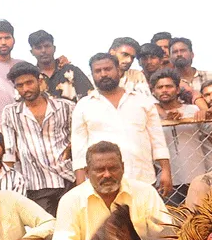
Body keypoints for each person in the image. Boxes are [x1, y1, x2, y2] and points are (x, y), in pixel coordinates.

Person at [48, 141, 170, 240]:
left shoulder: (145, 192)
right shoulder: (71, 199)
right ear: (87, 171)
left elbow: (167, 235)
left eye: (113, 168)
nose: (107, 175)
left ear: (123, 167)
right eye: (100, 170)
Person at [72, 52, 172, 196]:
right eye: (98, 71)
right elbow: (79, 148)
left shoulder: (142, 101)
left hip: (141, 178)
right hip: (103, 182)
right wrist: (81, 183)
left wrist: (166, 171)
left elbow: (158, 140)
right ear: (92, 75)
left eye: (108, 69)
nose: (103, 74)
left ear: (118, 70)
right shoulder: (84, 106)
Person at [3, 61, 78, 216]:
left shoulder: (66, 107)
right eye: (20, 85)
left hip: (68, 177)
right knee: (46, 228)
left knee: (74, 225)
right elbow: (9, 152)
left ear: (40, 80)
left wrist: (71, 149)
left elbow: (80, 139)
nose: (25, 89)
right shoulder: (10, 113)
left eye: (29, 82)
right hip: (35, 184)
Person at [152, 68, 212, 204]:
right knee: (172, 216)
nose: (164, 90)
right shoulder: (151, 116)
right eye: (160, 87)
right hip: (168, 181)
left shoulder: (193, 110)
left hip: (197, 177)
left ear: (177, 90)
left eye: (169, 86)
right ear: (153, 91)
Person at [28, 29, 92, 102]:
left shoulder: (71, 71)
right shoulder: (31, 77)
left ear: (54, 48)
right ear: (32, 52)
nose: (43, 50)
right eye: (38, 48)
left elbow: (90, 98)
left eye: (47, 46)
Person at [168, 38, 212, 111]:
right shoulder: (169, 81)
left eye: (183, 51)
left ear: (192, 54)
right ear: (170, 57)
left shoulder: (209, 77)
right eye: (175, 52)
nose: (179, 54)